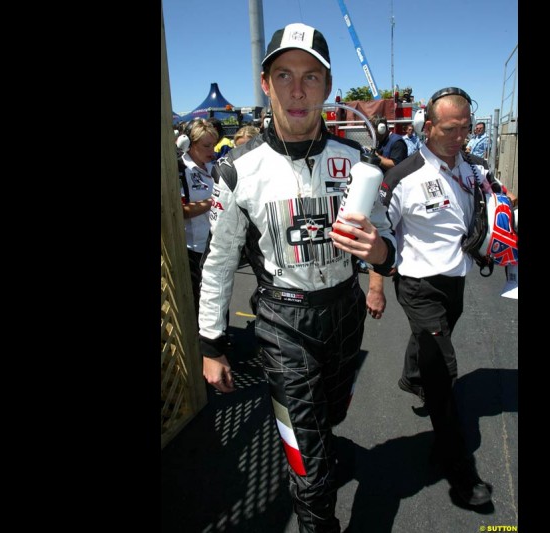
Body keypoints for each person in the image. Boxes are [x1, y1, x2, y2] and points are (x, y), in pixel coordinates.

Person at [197, 22, 396, 533]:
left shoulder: (357, 162)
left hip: (345, 312)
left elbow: (389, 237)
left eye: (311, 77)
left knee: (329, 419)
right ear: (265, 83)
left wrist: (379, 255)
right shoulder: (238, 170)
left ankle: (324, 450)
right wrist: (212, 344)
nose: (298, 90)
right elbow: (219, 263)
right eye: (284, 75)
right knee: (306, 462)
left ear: (327, 87)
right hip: (282, 321)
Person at [366, 87, 493, 507]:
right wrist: (377, 286)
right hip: (418, 285)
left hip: (456, 280)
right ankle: (460, 474)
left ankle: (411, 377)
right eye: (451, 129)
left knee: (428, 345)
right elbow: (378, 233)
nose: (460, 136)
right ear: (429, 126)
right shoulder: (403, 175)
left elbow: (490, 207)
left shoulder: (474, 169)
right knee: (444, 371)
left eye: (467, 128)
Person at [178, 118, 219, 313]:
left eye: (214, 145)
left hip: (218, 245)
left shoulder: (214, 168)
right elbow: (180, 211)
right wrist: (214, 202)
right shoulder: (179, 170)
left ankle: (222, 339)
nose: (212, 150)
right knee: (201, 303)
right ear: (189, 144)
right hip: (195, 250)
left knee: (219, 297)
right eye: (206, 145)